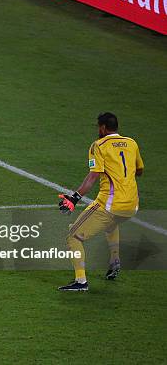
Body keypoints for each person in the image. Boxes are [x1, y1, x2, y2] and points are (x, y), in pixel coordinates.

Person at [57, 112, 143, 291]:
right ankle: (114, 261)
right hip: (132, 205)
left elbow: (93, 175)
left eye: (98, 127)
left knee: (73, 236)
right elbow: (139, 170)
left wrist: (74, 197)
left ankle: (81, 282)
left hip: (110, 205)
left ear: (103, 127)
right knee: (112, 223)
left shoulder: (99, 145)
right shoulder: (131, 143)